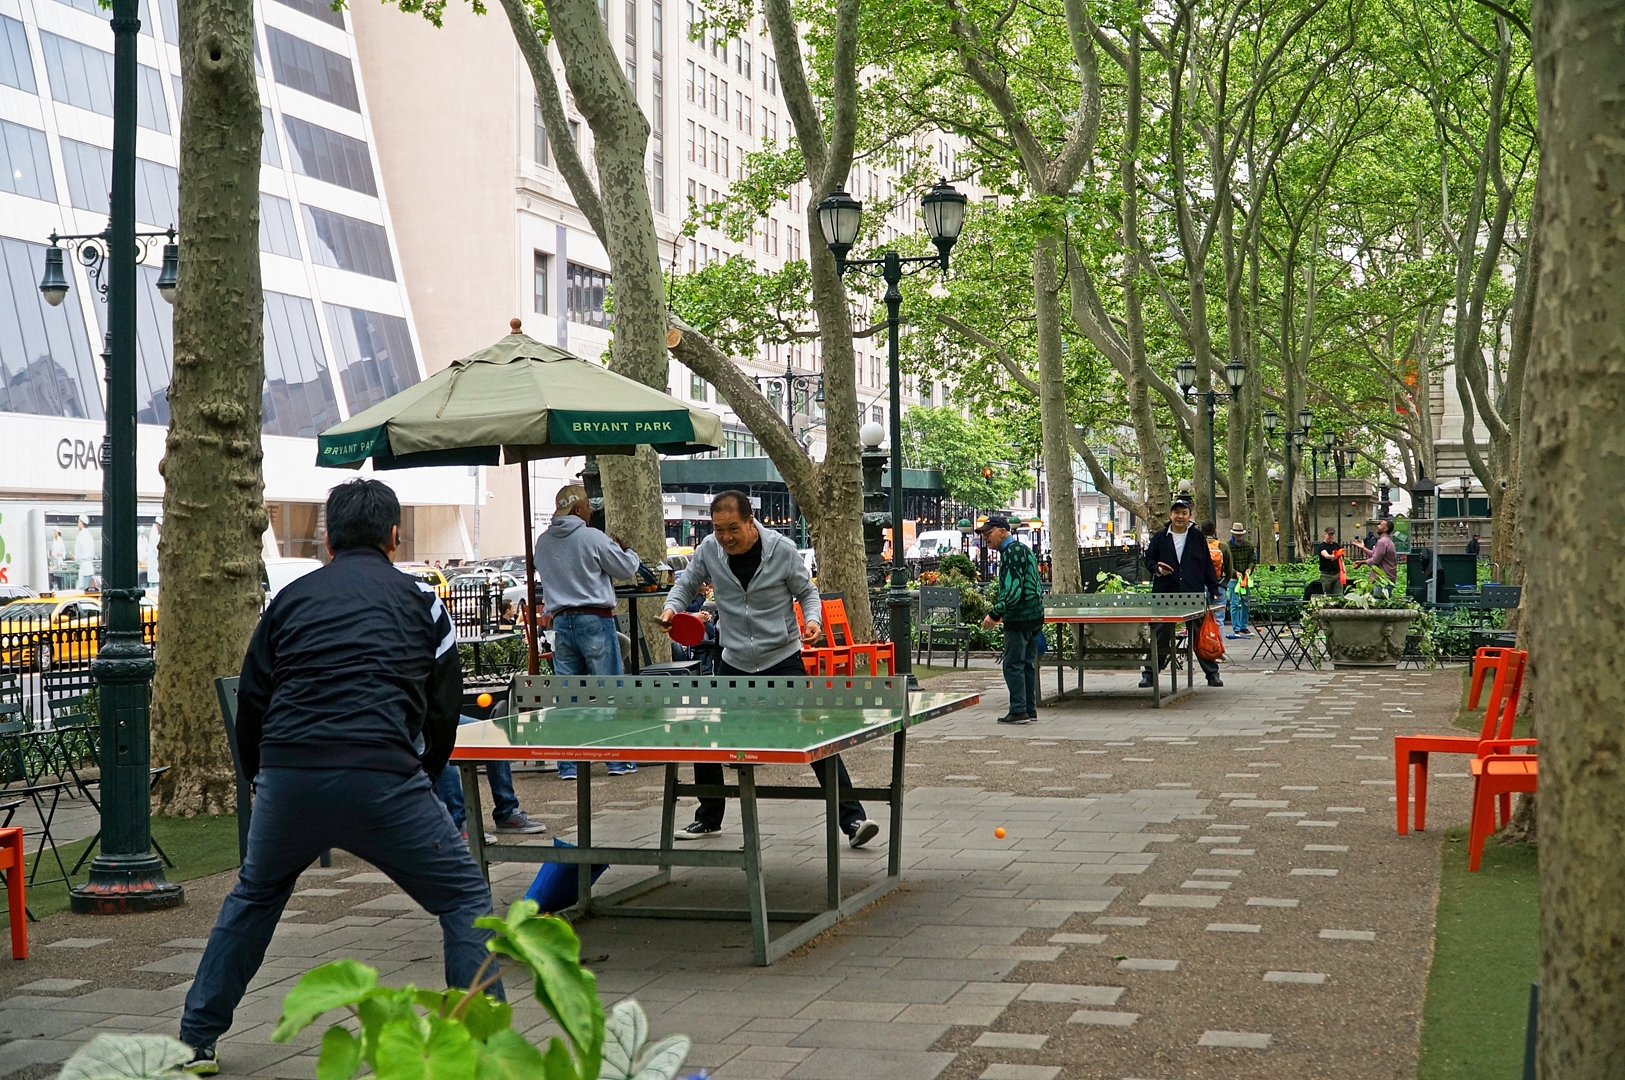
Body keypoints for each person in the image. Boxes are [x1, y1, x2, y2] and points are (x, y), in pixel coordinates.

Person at [178, 479, 498, 1075]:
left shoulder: (289, 601)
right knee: (464, 898)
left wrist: (260, 776)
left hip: (290, 774)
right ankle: (480, 1043)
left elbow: (253, 698)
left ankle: (195, 1039)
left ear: (329, 539)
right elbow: (443, 706)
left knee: (255, 895)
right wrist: (424, 775)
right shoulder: (422, 602)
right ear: (394, 537)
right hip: (384, 777)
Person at [658, 491, 879, 848]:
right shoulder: (709, 550)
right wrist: (671, 608)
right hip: (733, 660)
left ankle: (853, 821)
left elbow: (807, 593)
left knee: (814, 737)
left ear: (750, 521)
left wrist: (812, 620)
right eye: (718, 529)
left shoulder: (782, 550)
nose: (726, 537)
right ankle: (709, 817)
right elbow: (686, 584)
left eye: (733, 528)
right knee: (707, 736)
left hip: (781, 659)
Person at [534, 485, 642, 779]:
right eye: (587, 505)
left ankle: (568, 765)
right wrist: (628, 551)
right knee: (609, 691)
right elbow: (625, 569)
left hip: (560, 622)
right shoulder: (592, 537)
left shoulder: (543, 542)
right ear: (578, 509)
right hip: (594, 618)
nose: (591, 510)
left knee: (568, 696)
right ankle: (617, 760)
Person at [1141, 497, 1223, 688]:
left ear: (1189, 516)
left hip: (1192, 593)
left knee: (1199, 634)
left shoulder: (1197, 537)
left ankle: (1212, 674)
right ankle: (1150, 674)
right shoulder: (1160, 537)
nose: (1180, 516)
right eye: (1177, 512)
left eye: (1184, 513)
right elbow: (1148, 560)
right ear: (1170, 515)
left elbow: (1206, 564)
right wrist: (1158, 569)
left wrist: (1214, 588)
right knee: (1161, 635)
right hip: (1165, 594)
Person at [978, 516, 1044, 726]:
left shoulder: (1011, 553)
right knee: (1027, 664)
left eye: (989, 532)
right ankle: (1029, 709)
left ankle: (1018, 710)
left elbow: (1013, 590)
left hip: (1019, 617)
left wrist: (994, 614)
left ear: (1003, 531)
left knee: (1013, 664)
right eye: (984, 534)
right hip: (1034, 615)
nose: (985, 537)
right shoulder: (1022, 549)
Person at [1350, 518, 1399, 595]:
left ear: (1385, 529)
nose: (1377, 526)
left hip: (1383, 580)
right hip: (1386, 579)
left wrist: (1361, 562)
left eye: (1380, 525)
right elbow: (1375, 554)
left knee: (1378, 601)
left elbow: (1375, 560)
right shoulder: (1386, 541)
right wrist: (1363, 548)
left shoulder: (1382, 542)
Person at [1224, 522, 1256, 638]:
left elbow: (1252, 560)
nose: (1239, 537)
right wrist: (1234, 572)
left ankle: (1243, 626)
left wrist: (1249, 569)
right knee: (1234, 603)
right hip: (1233, 579)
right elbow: (1226, 563)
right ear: (1233, 534)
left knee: (1245, 602)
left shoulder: (1248, 546)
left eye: (1241, 535)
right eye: (1237, 535)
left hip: (1245, 578)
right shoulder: (1227, 547)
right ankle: (1236, 628)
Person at [1315, 527, 1343, 597]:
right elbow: (1326, 555)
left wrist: (1343, 571)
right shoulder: (1322, 546)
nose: (1331, 536)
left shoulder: (1336, 546)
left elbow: (1341, 559)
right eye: (1329, 534)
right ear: (1325, 534)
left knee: (1339, 595)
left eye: (1332, 534)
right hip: (1326, 575)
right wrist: (1333, 556)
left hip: (1337, 575)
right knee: (1327, 596)